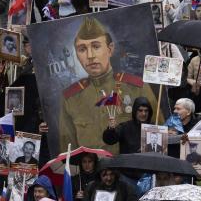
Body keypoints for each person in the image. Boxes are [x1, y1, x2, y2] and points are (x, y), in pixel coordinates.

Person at [59, 17, 158, 150]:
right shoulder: (71, 98)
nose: (90, 55)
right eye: (82, 49)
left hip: (127, 167)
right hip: (92, 168)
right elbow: (67, 150)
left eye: (96, 46)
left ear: (110, 49)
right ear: (76, 55)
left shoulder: (137, 88)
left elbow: (157, 132)